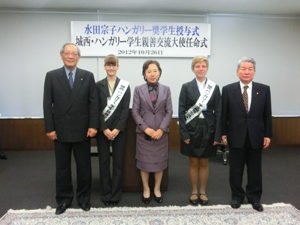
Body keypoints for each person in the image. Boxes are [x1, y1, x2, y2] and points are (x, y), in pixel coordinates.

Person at [43, 43, 99, 215]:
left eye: (73, 53)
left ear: (78, 57)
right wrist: (50, 128)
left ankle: (83, 198)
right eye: (66, 53)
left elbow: (93, 102)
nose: (70, 56)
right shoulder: (52, 76)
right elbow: (47, 103)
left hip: (83, 129)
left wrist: (93, 125)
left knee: (84, 167)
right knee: (62, 168)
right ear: (61, 55)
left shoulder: (87, 76)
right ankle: (64, 199)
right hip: (60, 130)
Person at [221, 57, 272, 212]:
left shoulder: (264, 89)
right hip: (235, 135)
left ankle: (254, 198)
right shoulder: (228, 89)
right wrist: (222, 133)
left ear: (254, 72)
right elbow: (224, 114)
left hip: (257, 135)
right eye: (243, 68)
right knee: (235, 169)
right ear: (237, 72)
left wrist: (268, 134)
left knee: (255, 169)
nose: (247, 72)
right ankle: (237, 196)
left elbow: (267, 114)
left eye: (250, 69)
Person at [178, 56, 221, 206]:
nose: (200, 69)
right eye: (197, 66)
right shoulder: (186, 87)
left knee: (204, 162)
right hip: (191, 128)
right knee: (193, 161)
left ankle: (202, 191)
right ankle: (193, 191)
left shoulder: (214, 87)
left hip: (208, 128)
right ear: (193, 68)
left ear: (207, 68)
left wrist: (217, 134)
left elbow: (219, 112)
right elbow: (181, 110)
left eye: (203, 66)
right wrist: (183, 133)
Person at [132, 60, 172, 204]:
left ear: (159, 72)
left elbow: (169, 111)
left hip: (161, 134)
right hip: (144, 134)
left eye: (155, 70)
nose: (152, 74)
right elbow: (135, 112)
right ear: (144, 74)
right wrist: (146, 129)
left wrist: (161, 129)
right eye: (149, 71)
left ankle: (156, 189)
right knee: (144, 163)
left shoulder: (166, 89)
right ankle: (146, 189)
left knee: (159, 163)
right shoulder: (138, 89)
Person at [95, 55, 130, 207]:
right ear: (104, 67)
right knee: (103, 162)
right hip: (103, 131)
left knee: (117, 162)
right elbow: (95, 109)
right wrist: (104, 129)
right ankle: (106, 193)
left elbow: (125, 110)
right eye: (108, 65)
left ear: (117, 67)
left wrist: (116, 129)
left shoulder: (124, 86)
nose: (111, 67)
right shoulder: (97, 86)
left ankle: (116, 194)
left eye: (113, 65)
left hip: (119, 130)